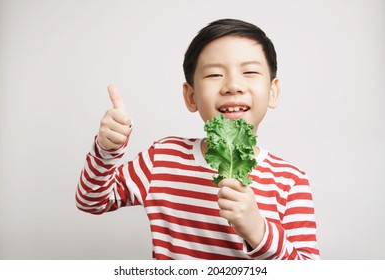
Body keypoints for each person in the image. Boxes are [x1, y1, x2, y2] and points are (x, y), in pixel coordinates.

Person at [76, 18, 320, 260]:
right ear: (191, 96)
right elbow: (91, 201)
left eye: (250, 72)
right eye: (214, 74)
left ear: (272, 91)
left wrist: (259, 232)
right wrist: (106, 150)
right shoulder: (162, 159)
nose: (233, 85)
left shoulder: (290, 181)